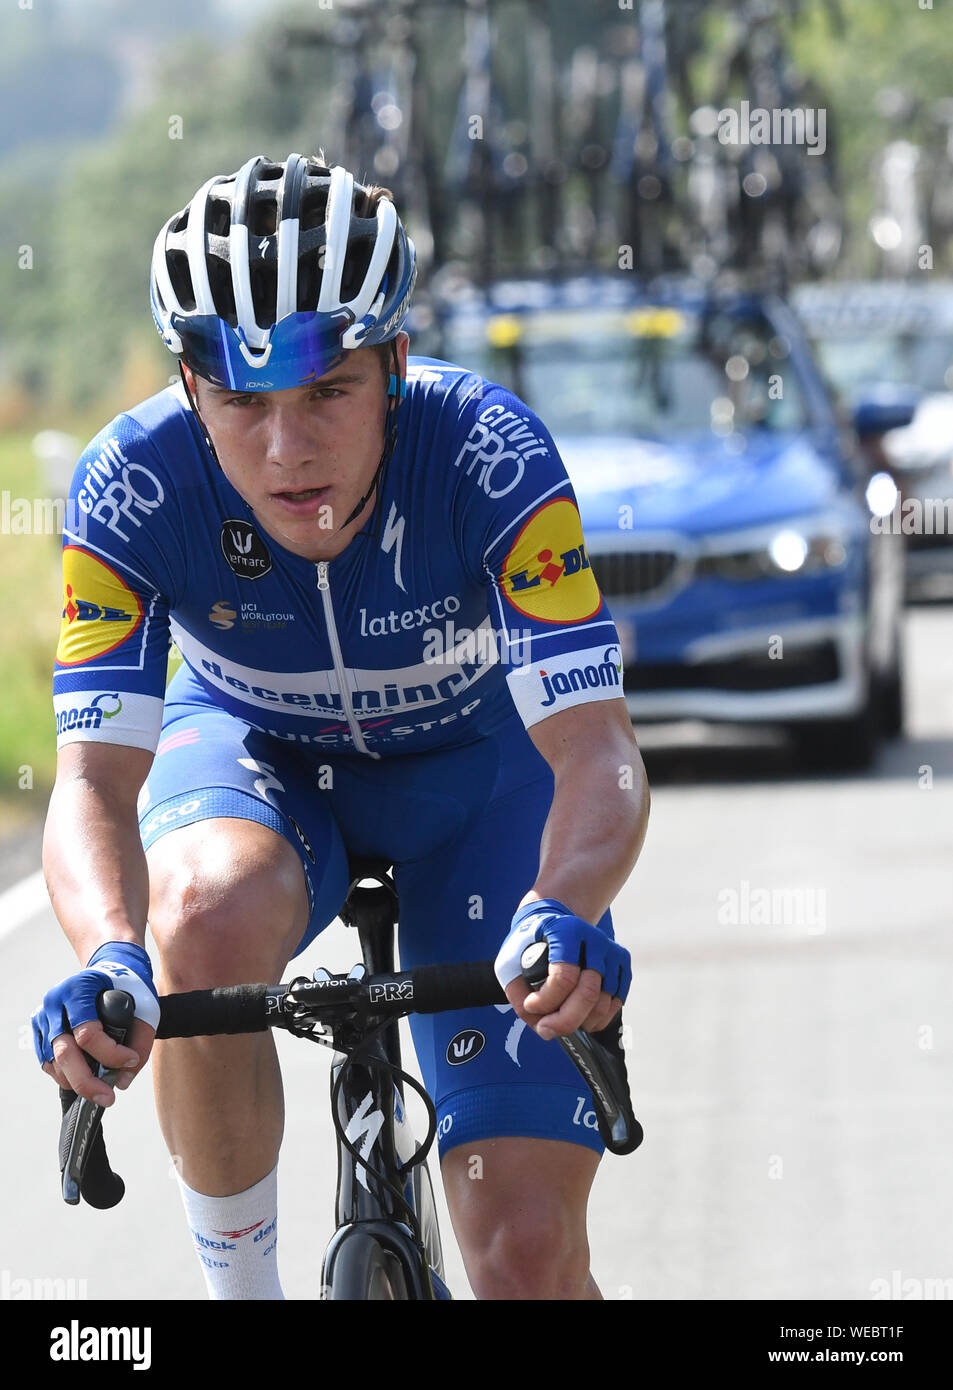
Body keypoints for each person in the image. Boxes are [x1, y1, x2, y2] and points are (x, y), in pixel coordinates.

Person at [32, 153, 650, 1301]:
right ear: (188, 388)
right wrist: (110, 951)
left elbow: (598, 748)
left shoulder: (490, 455)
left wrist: (560, 906)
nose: (287, 449)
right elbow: (93, 787)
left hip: (478, 781)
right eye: (243, 402)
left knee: (522, 1258)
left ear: (396, 367)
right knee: (198, 917)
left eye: (327, 392)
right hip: (255, 764)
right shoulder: (130, 485)